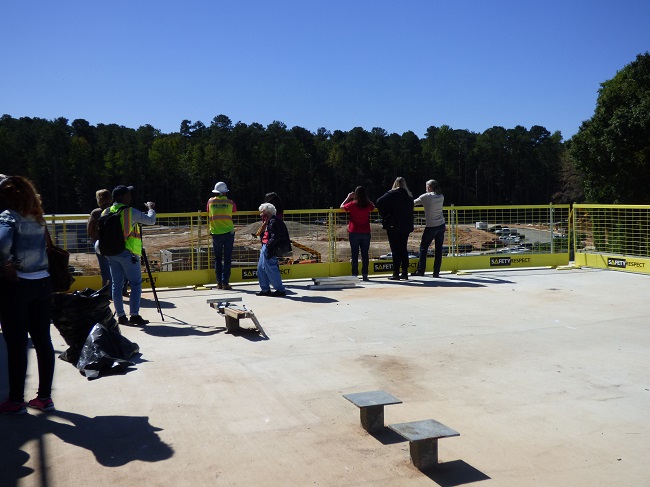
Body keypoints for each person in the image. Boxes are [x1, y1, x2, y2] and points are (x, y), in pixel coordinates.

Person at [0, 176, 55, 415]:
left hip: (18, 286)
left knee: (17, 345)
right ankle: (44, 398)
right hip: (43, 284)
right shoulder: (37, 218)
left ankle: (16, 400)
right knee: (43, 342)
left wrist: (8, 266)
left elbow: (1, 245)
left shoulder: (8, 217)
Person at [103, 185, 156, 326]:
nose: (130, 197)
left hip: (111, 254)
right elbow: (151, 220)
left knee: (116, 285)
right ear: (124, 197)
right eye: (128, 194)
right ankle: (134, 315)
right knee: (136, 284)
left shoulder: (106, 212)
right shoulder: (129, 212)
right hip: (128, 254)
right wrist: (151, 209)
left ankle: (120, 316)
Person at [375, 177, 414, 280]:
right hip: (406, 226)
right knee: (403, 248)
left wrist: (386, 215)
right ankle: (405, 272)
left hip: (393, 225)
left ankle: (396, 273)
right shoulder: (408, 196)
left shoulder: (391, 194)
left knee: (395, 250)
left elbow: (379, 202)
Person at [412, 180, 446, 278]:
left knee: (423, 248)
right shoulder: (441, 196)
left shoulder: (425, 197)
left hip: (431, 226)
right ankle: (436, 272)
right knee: (438, 249)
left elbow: (413, 203)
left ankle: (421, 270)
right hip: (441, 225)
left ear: (429, 187)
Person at [207, 182, 237, 290]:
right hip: (228, 232)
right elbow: (234, 211)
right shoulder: (230, 202)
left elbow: (208, 211)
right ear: (225, 192)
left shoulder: (210, 201)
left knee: (218, 258)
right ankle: (225, 283)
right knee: (227, 258)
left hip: (216, 233)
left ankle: (218, 282)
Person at [340, 186, 374, 281]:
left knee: (354, 254)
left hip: (354, 232)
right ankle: (365, 274)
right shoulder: (368, 205)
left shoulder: (352, 204)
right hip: (366, 232)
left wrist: (348, 197)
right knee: (365, 254)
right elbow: (373, 206)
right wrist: (367, 198)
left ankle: (354, 274)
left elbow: (341, 207)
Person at [256, 203, 289, 297]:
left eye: (262, 212)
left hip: (269, 248)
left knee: (271, 269)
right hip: (266, 247)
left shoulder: (274, 222)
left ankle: (280, 289)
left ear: (268, 212)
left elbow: (276, 237)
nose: (261, 214)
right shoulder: (268, 222)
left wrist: (268, 246)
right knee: (260, 269)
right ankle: (265, 289)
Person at [87, 189, 113, 288]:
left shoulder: (96, 212)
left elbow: (89, 228)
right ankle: (121, 289)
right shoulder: (114, 210)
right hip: (114, 242)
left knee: (105, 268)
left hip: (100, 243)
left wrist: (93, 238)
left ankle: (106, 290)